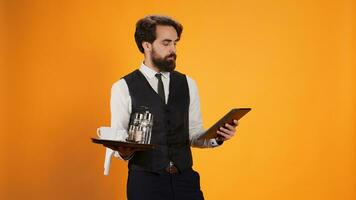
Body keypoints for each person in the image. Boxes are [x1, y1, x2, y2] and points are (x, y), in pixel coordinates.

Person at [107, 15, 238, 200]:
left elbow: (193, 135)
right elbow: (118, 138)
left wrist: (217, 137)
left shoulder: (188, 84)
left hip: (185, 181)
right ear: (147, 45)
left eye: (175, 43)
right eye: (166, 43)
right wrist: (123, 152)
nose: (173, 50)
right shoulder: (123, 87)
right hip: (145, 184)